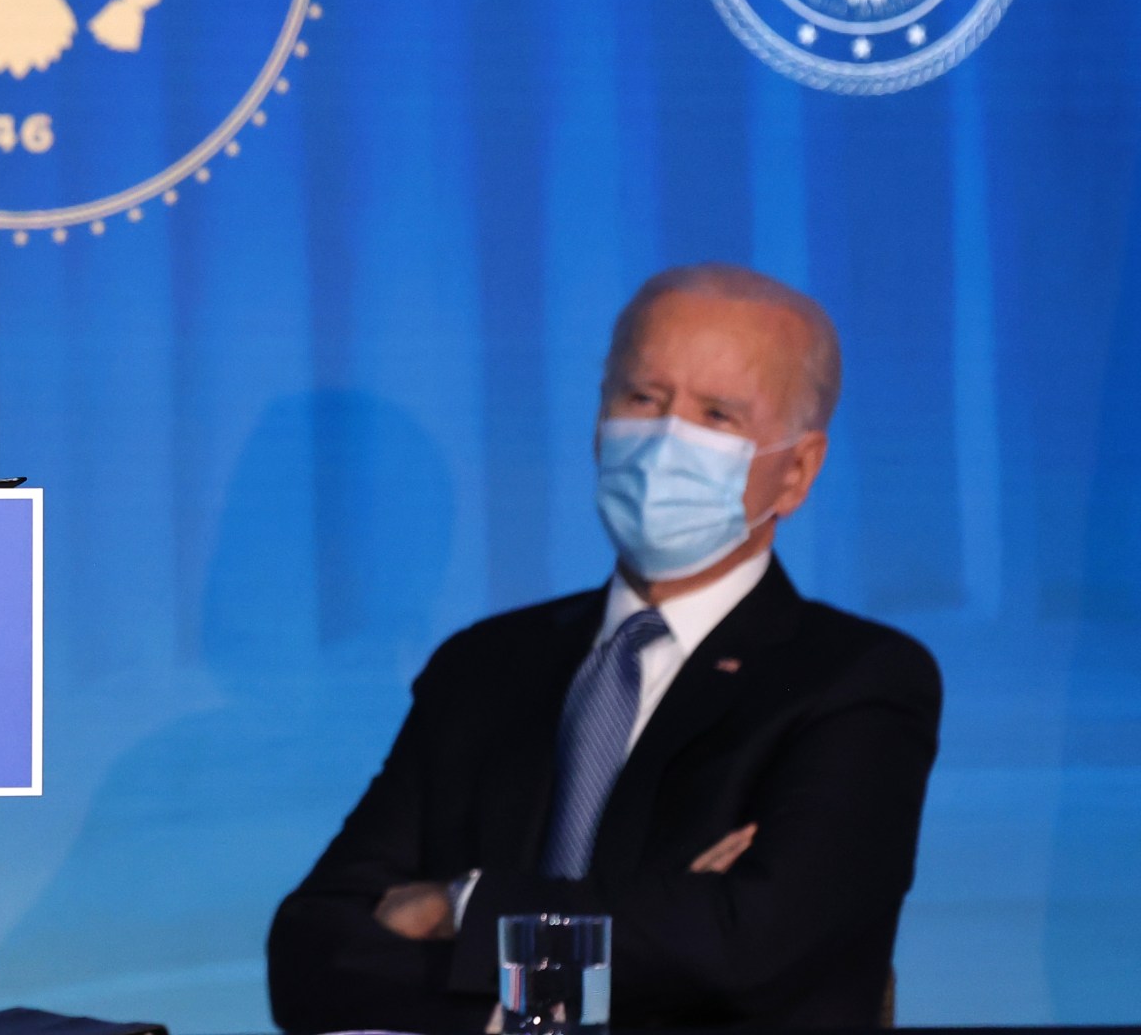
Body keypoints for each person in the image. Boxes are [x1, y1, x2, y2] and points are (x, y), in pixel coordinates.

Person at [267, 264, 940, 1031]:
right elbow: (310, 954)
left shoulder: (855, 679)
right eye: (642, 398)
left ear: (797, 470)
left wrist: (463, 904)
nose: (663, 441)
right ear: (598, 417)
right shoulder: (485, 667)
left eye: (717, 416)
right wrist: (641, 935)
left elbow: (750, 952)